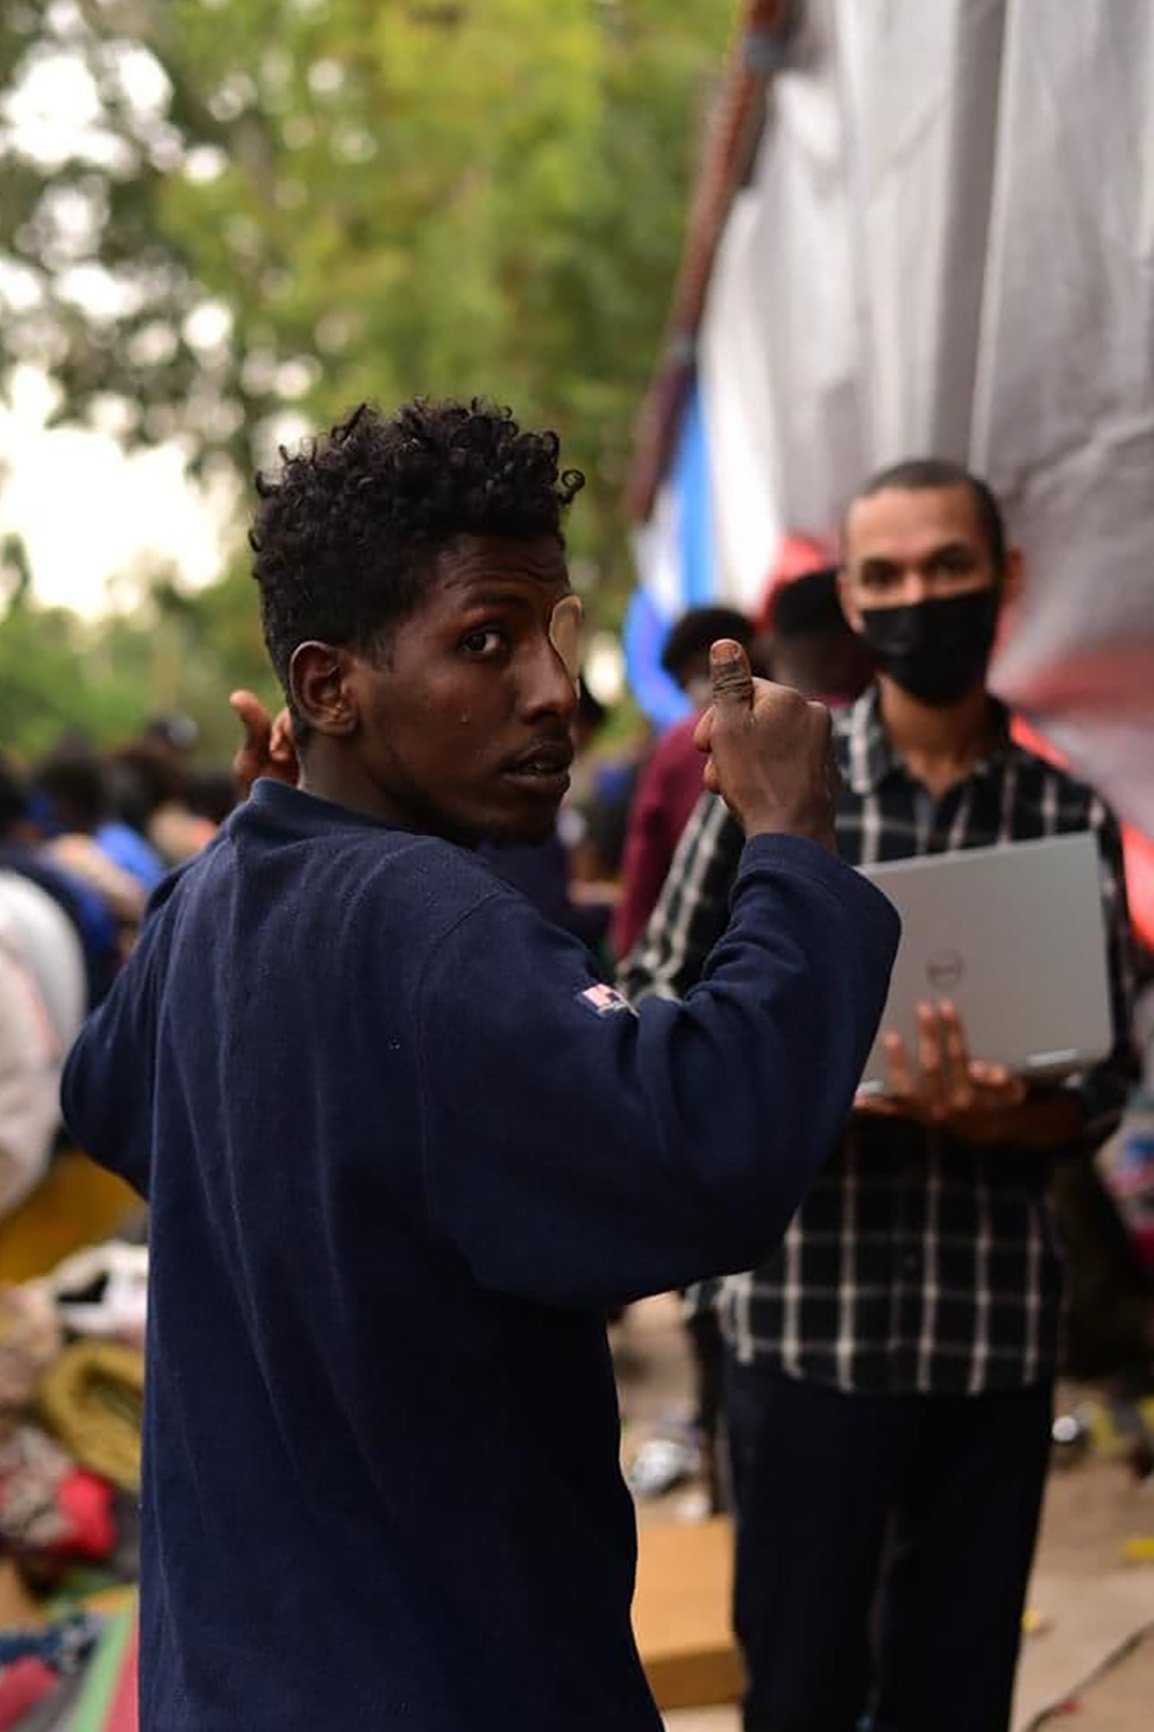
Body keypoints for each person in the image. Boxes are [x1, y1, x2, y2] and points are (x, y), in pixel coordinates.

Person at [60, 399, 899, 1732]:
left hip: (233, 1680)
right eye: (483, 642)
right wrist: (790, 844)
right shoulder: (428, 924)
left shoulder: (212, 896)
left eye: (553, 634)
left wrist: (242, 841)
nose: (552, 687)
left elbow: (102, 1095)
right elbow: (694, 1156)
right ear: (330, 687)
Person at [619, 458, 1138, 1732]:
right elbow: (646, 1004)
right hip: (805, 1331)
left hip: (990, 1340)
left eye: (945, 567)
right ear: (850, 594)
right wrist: (796, 1085)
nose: (918, 597)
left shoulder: (1064, 812)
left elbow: (1104, 1082)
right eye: (886, 574)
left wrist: (1000, 1113)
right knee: (795, 1686)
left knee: (953, 1688)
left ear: (1002, 581)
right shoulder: (774, 780)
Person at [612, 604, 755, 959]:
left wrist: (629, 956)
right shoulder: (826, 725)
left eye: (692, 681)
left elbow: (644, 869)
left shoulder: (682, 745)